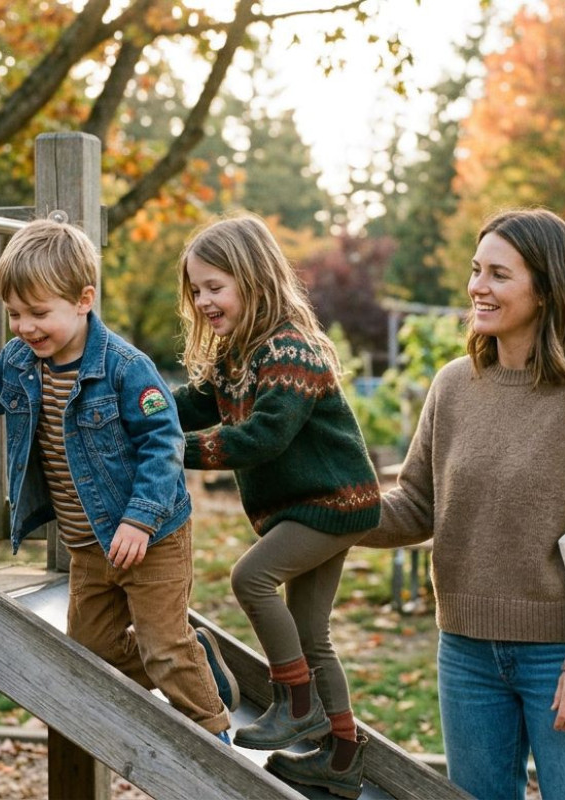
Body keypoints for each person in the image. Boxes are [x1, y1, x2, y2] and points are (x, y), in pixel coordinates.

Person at [360, 208, 565, 800]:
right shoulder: (453, 385)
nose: (477, 288)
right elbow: (417, 504)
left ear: (545, 289)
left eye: (498, 274)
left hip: (561, 653)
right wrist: (330, 511)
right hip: (465, 653)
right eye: (475, 270)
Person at [0, 220, 237, 742]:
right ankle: (194, 658)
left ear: (84, 300)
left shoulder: (125, 368)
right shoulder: (20, 363)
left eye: (39, 313)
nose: (25, 327)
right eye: (15, 314)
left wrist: (140, 519)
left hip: (151, 539)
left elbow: (164, 444)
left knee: (163, 648)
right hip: (88, 546)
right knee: (92, 653)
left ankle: (215, 740)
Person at [174, 213, 381, 798]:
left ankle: (297, 704)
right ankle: (341, 759)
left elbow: (264, 437)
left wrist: (172, 450)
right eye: (196, 290)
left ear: (254, 278)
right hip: (307, 507)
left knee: (252, 578)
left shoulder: (290, 348)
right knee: (312, 634)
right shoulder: (235, 354)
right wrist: (136, 405)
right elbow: (190, 403)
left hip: (333, 503)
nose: (203, 301)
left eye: (215, 287)